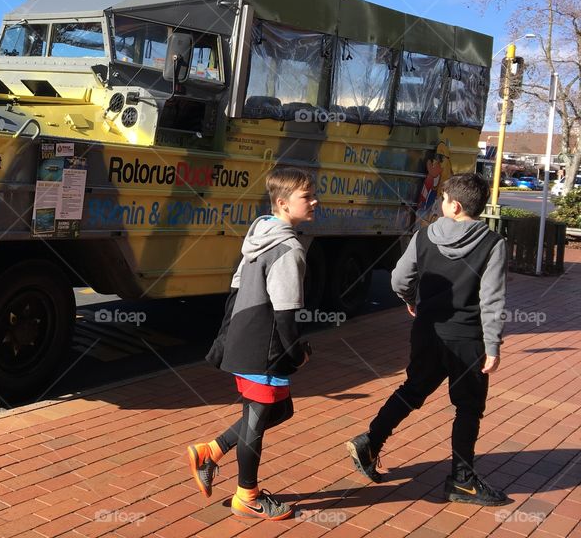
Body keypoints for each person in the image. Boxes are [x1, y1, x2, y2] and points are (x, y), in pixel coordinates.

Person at [346, 172, 510, 506]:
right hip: (467, 338)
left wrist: (411, 299)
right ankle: (462, 480)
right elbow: (492, 299)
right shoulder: (493, 243)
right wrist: (493, 345)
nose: (440, 204)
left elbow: (398, 279)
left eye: (444, 199)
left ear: (455, 206)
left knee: (413, 389)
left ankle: (370, 442)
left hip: (428, 331)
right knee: (468, 406)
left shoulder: (423, 237)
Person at [187, 166, 317, 521]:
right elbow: (287, 314)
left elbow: (234, 291)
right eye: (307, 196)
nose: (314, 201)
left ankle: (210, 451)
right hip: (265, 346)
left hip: (247, 339)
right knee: (258, 421)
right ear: (282, 203)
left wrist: (226, 340)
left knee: (280, 410)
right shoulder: (289, 248)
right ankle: (248, 495)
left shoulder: (258, 236)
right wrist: (298, 353)